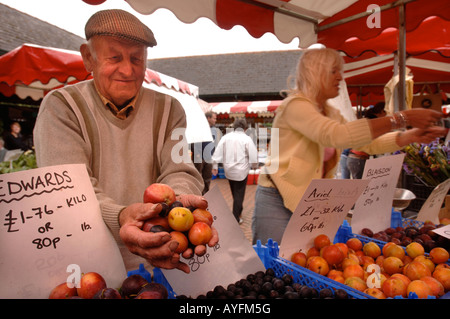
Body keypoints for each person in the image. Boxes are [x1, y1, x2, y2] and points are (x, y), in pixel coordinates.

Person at [33, 9, 218, 273]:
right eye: (115, 58)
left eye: (136, 58)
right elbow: (68, 192)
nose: (127, 70)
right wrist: (121, 217)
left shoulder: (169, 108)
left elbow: (180, 169)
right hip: (86, 262)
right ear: (88, 58)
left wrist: (177, 204)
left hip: (161, 253)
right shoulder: (62, 107)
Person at [252, 48, 446, 245]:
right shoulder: (294, 106)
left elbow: (366, 144)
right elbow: (335, 135)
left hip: (309, 202)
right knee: (272, 262)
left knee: (300, 259)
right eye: (333, 71)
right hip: (275, 198)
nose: (340, 77)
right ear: (314, 73)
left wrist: (410, 136)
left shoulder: (332, 113)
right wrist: (402, 118)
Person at [212, 118, 258, 223]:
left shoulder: (225, 137)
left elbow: (217, 152)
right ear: (245, 128)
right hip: (241, 171)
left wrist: (214, 166)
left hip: (228, 170)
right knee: (239, 194)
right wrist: (255, 166)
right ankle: (235, 218)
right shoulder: (246, 139)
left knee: (235, 192)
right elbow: (253, 156)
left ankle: (238, 211)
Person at [347, 102, 387, 179]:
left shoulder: (367, 121)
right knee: (360, 187)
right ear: (381, 111)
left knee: (359, 185)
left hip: (354, 158)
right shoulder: (373, 123)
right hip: (358, 159)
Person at [191, 111, 218, 194]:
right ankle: (197, 196)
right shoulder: (198, 128)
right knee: (197, 178)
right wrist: (197, 154)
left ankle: (205, 197)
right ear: (208, 118)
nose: (215, 120)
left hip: (208, 158)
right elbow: (192, 142)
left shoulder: (213, 130)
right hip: (199, 158)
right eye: (214, 118)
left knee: (207, 179)